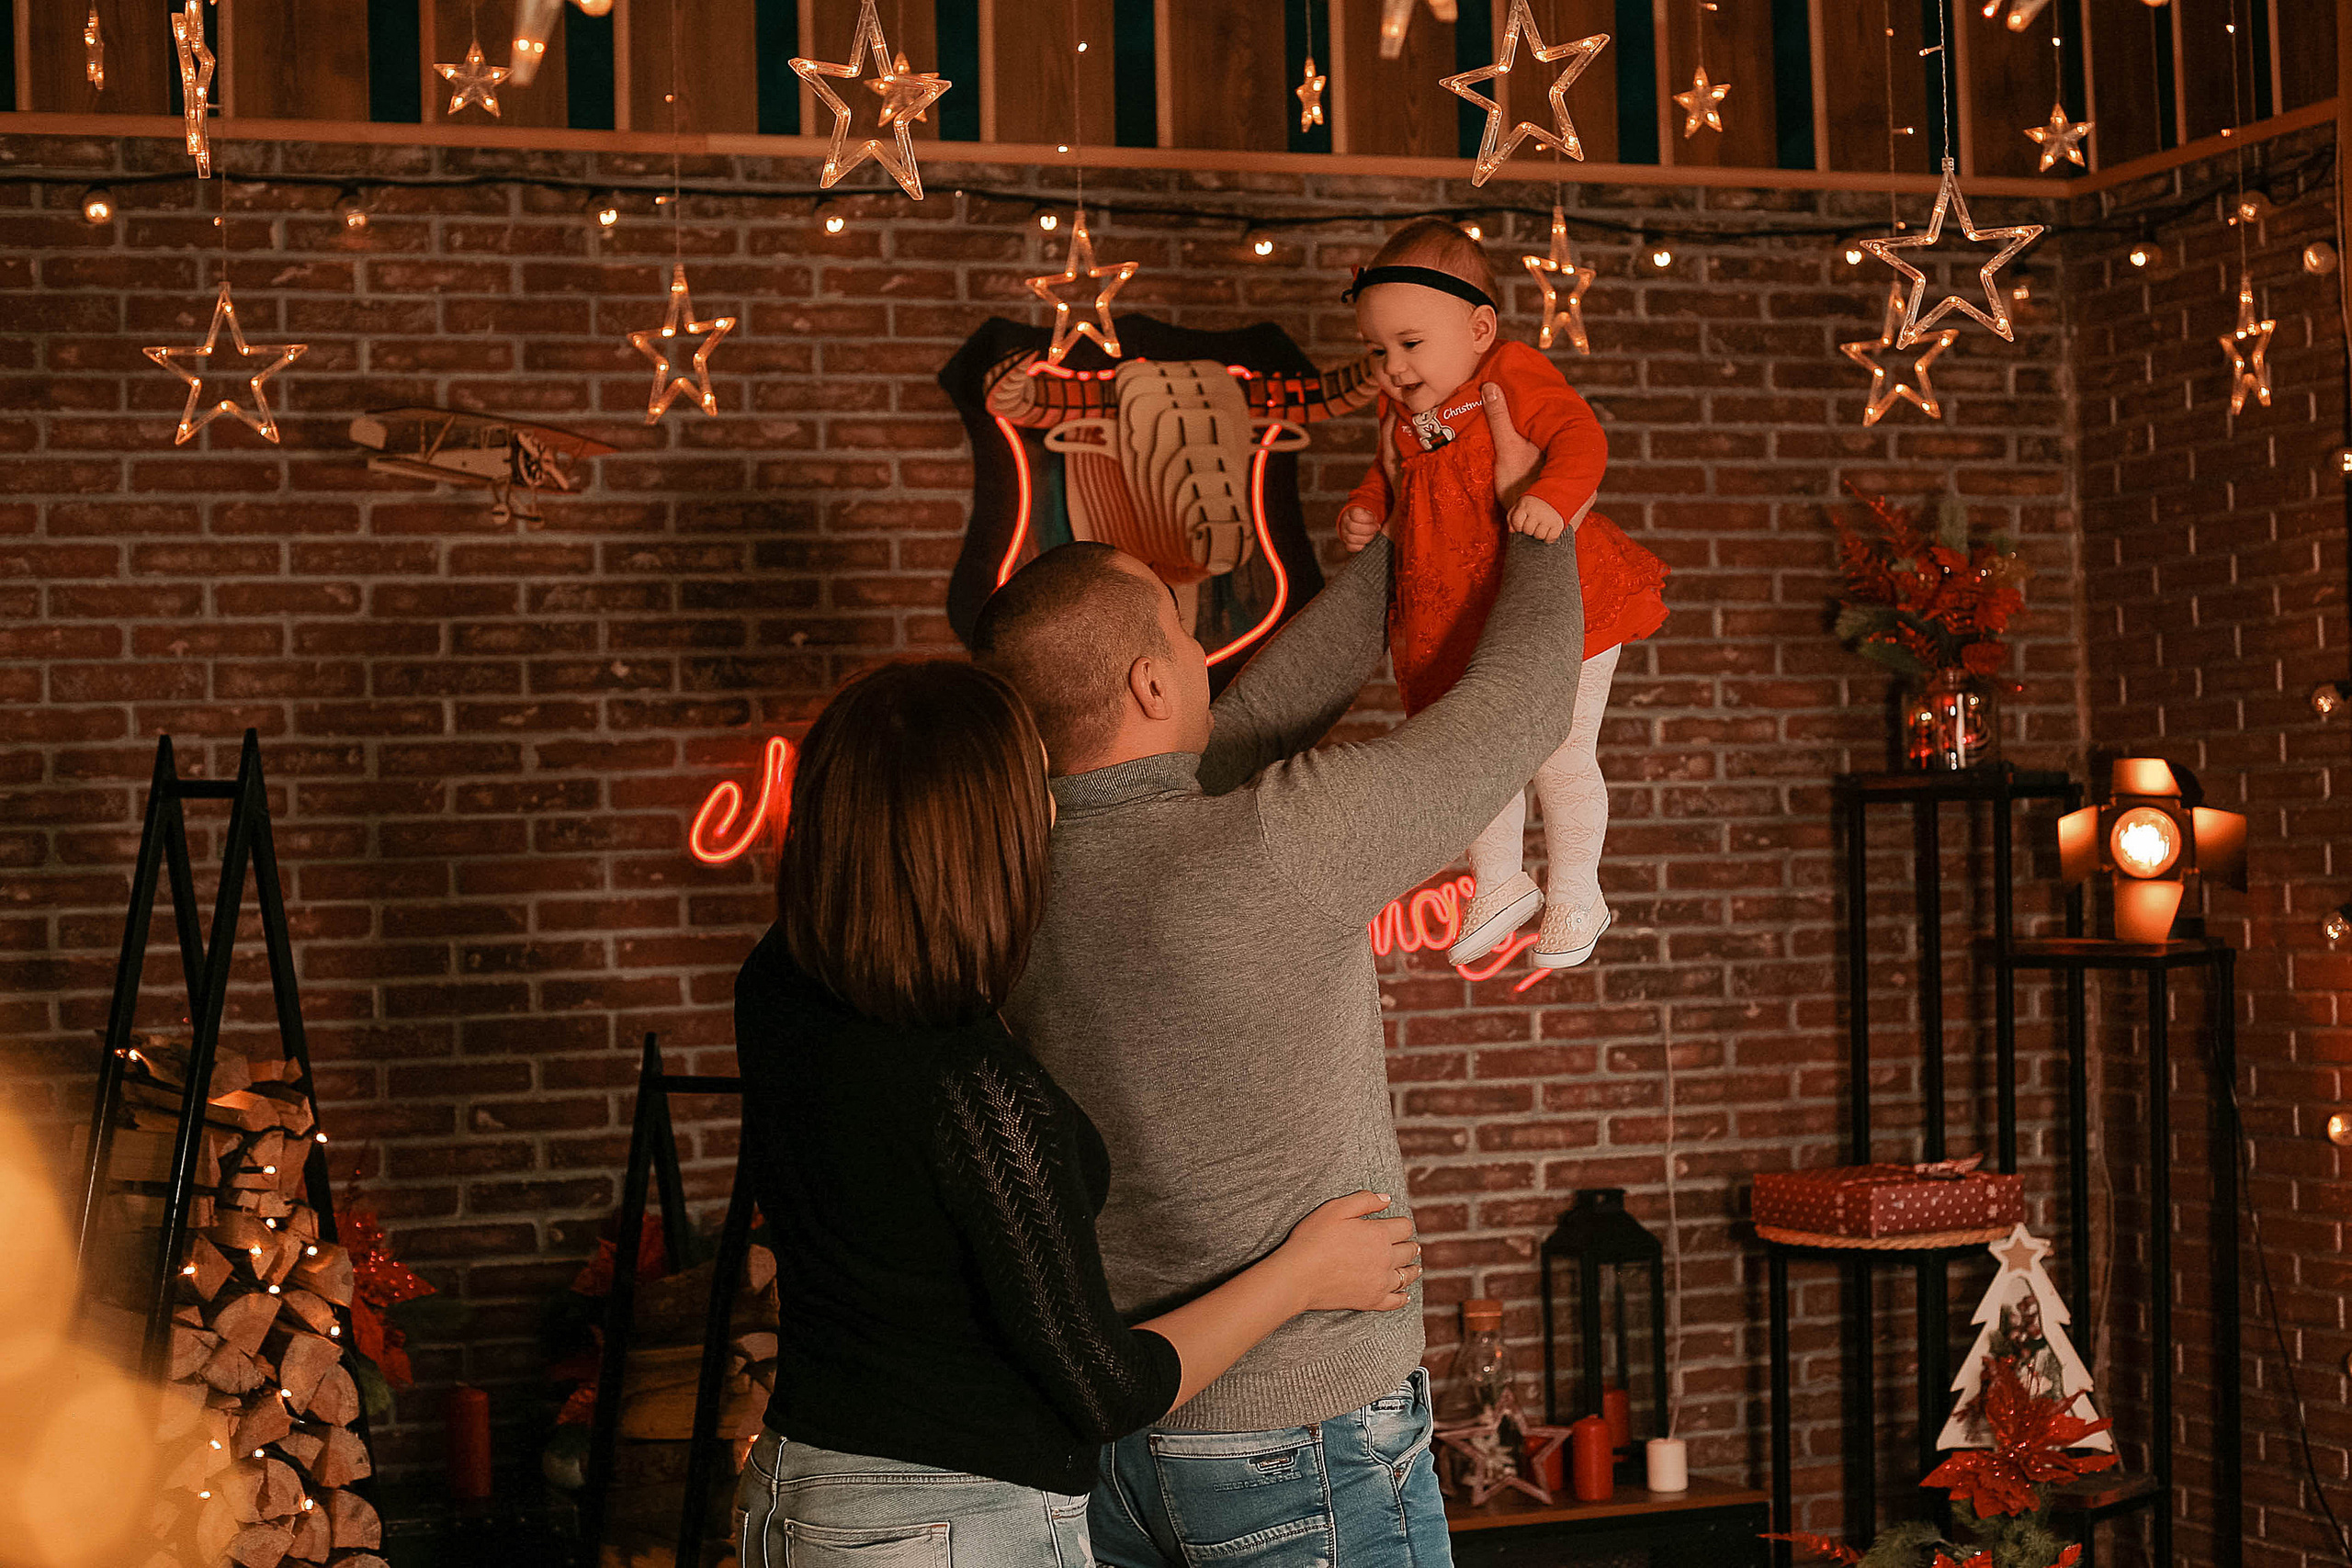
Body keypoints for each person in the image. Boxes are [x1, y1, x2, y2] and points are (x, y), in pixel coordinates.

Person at [970, 385, 1586, 1568]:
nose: (1204, 654)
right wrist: (1533, 519)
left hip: (1112, 1441)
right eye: (1179, 632)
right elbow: (1519, 712)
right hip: (1299, 1435)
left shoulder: (1009, 876)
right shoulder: (1265, 843)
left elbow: (1255, 716)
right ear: (1152, 687)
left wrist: (1429, 518)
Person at [732, 660, 1423, 1568]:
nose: (1056, 811)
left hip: (798, 1490)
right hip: (946, 1527)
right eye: (1038, 792)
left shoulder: (776, 981)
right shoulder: (972, 1086)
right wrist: (1304, 1274)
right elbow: (1104, 1387)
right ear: (993, 836)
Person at [1339, 219, 1669, 969]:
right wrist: (1363, 508)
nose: (1393, 366)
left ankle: (1578, 891)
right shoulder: (1402, 416)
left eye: (1410, 343)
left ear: (1480, 329)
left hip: (1564, 600)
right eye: (1377, 350)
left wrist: (1552, 495)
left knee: (1560, 749)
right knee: (1480, 755)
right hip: (1464, 613)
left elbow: (1581, 437)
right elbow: (1391, 480)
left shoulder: (1509, 374)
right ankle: (1498, 882)